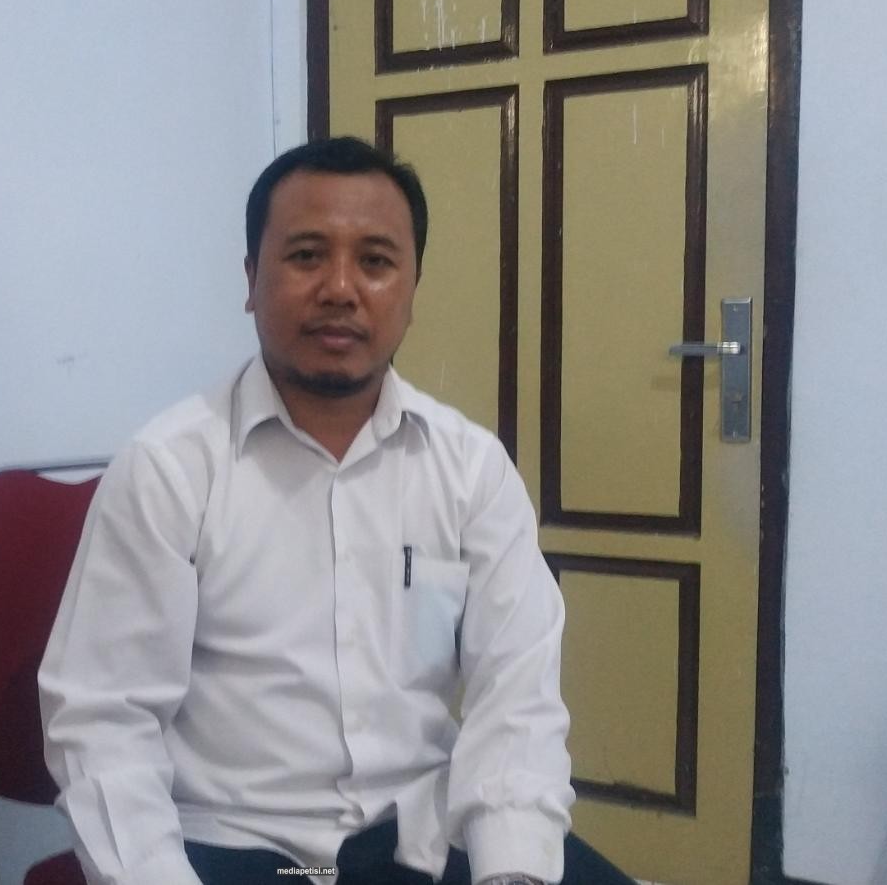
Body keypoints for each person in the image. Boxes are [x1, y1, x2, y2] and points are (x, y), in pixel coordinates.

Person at [39, 137, 630, 885]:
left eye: (375, 261)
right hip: (227, 848)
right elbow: (103, 723)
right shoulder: (169, 468)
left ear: (412, 288)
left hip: (420, 836)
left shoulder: (471, 469)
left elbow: (517, 696)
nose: (341, 289)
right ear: (251, 279)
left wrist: (510, 870)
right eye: (307, 256)